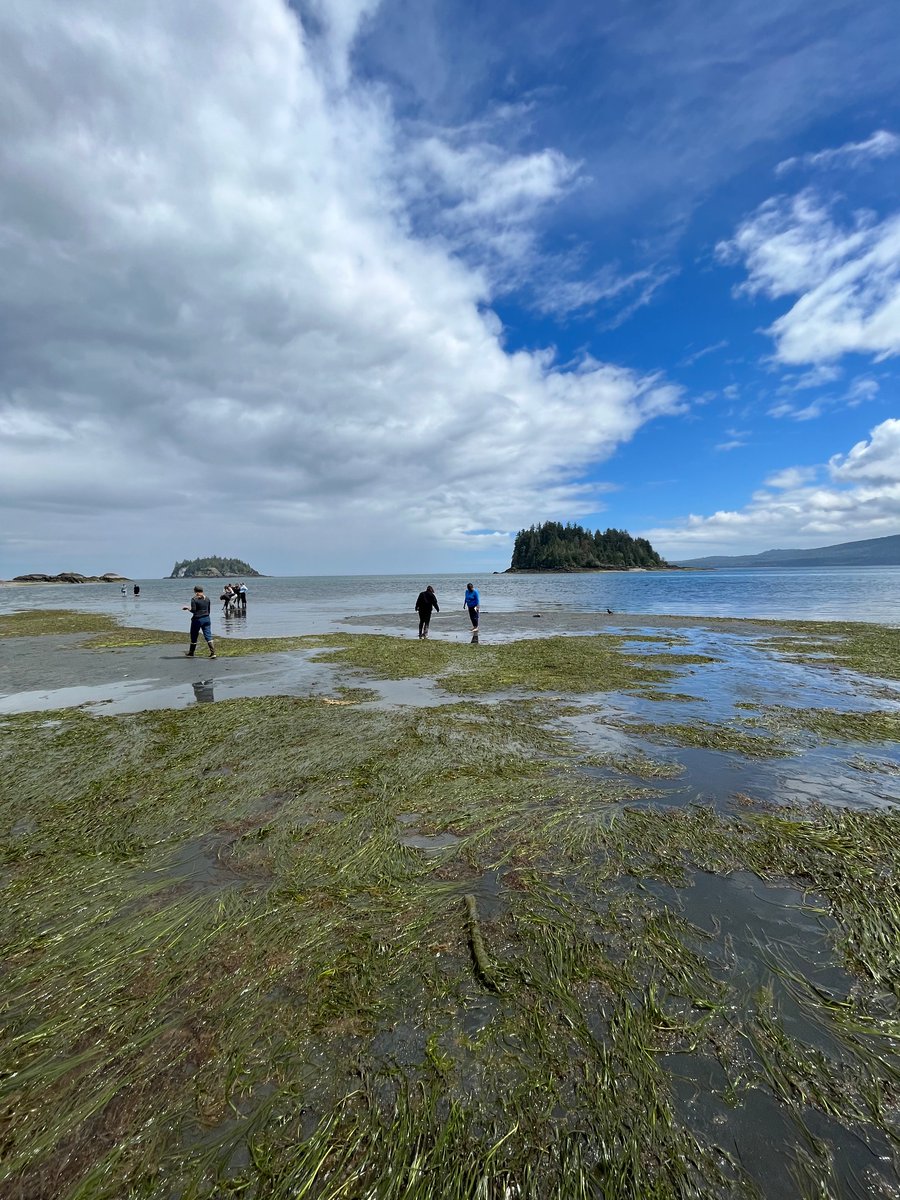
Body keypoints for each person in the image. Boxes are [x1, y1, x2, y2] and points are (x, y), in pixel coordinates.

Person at [182, 585, 217, 658]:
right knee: (208, 635)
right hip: (207, 618)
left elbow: (194, 611)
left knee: (194, 635)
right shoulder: (207, 598)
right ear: (202, 591)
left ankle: (191, 653)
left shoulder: (194, 599)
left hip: (197, 619)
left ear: (195, 591)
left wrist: (188, 608)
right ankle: (213, 653)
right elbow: (209, 610)